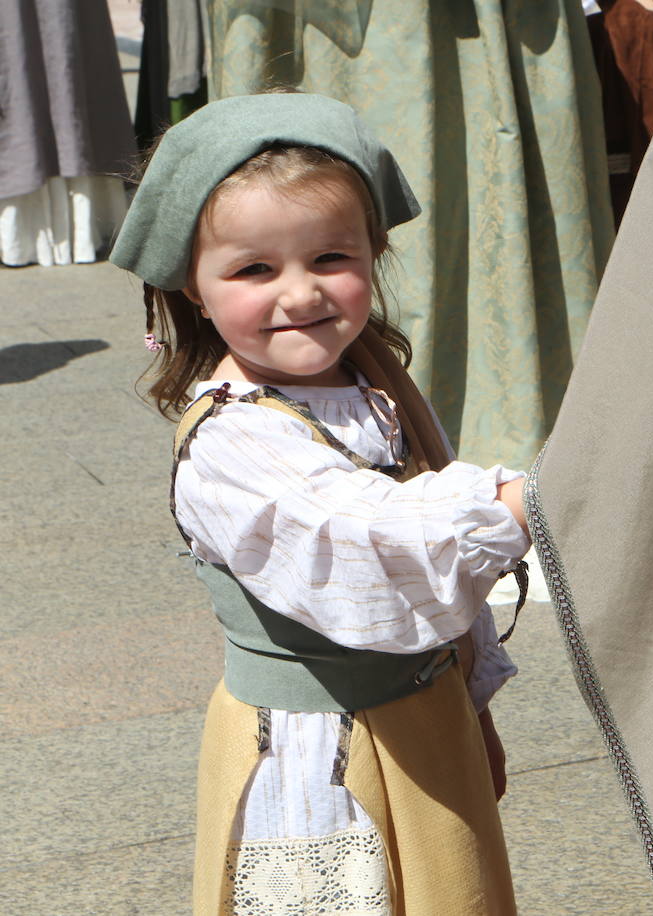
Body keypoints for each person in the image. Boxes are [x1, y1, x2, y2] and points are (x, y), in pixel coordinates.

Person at [110, 93, 529, 916]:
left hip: (424, 720)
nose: (299, 295)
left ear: (374, 254)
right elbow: (375, 545)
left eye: (330, 257)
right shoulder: (234, 443)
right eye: (255, 270)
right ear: (193, 289)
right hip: (318, 755)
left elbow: (435, 595)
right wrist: (518, 503)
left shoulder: (372, 383)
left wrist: (472, 708)